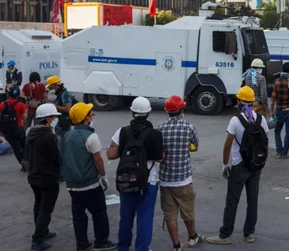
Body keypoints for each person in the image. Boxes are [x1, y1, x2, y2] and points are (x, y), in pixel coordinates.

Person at [207, 87, 269, 245]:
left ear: (239, 101)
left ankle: (225, 234)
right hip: (256, 165)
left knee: (232, 201)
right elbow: (265, 141)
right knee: (252, 199)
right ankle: (249, 233)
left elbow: (227, 145)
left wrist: (224, 164)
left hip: (239, 165)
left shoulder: (236, 120)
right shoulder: (261, 119)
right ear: (253, 101)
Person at [106, 97, 165, 251]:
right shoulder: (155, 134)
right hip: (149, 181)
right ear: (149, 113)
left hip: (127, 179)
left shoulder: (122, 131)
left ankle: (123, 247)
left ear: (132, 113)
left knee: (126, 217)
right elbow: (159, 158)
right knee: (145, 218)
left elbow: (110, 154)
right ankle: (142, 248)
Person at [62, 102, 116, 251]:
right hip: (90, 183)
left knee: (78, 214)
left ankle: (82, 244)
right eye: (90, 113)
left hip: (72, 184)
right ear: (85, 119)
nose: (93, 115)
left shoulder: (67, 135)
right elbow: (98, 160)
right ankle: (101, 241)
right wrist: (103, 176)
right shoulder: (91, 136)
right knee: (99, 213)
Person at [157, 96, 203, 251]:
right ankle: (192, 237)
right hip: (183, 179)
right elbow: (195, 146)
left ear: (167, 112)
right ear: (181, 110)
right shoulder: (189, 127)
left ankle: (176, 246)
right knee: (188, 211)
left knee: (170, 215)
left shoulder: (160, 129)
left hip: (165, 180)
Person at [27, 104, 61, 251]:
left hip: (33, 175)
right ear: (47, 119)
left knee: (38, 205)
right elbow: (56, 157)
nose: (54, 120)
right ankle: (38, 239)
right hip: (47, 177)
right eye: (53, 117)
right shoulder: (48, 136)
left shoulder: (31, 133)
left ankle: (43, 231)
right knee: (45, 209)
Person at [270, 62, 289, 159]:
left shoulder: (277, 82)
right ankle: (285, 153)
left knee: (277, 131)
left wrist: (271, 111)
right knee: (288, 131)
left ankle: (279, 151)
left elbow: (273, 98)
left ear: (282, 70)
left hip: (280, 110)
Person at [0, 84, 28, 170]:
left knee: (15, 148)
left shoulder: (2, 104)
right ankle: (25, 161)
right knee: (24, 146)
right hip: (18, 128)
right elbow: (24, 117)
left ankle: (21, 163)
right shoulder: (20, 104)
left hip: (6, 130)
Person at [45, 76, 73, 153]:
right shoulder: (60, 94)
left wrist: (54, 106)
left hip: (64, 124)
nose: (51, 90)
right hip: (60, 123)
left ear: (55, 85)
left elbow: (67, 109)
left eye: (51, 88)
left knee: (63, 146)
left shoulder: (64, 94)